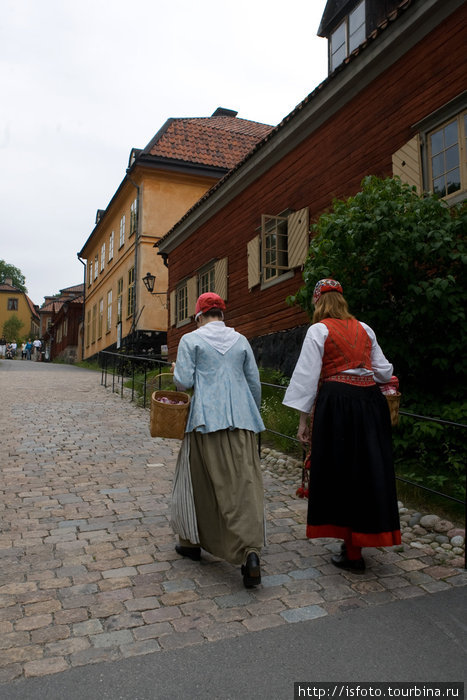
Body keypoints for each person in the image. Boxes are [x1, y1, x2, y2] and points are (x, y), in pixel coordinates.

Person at [283, 279, 401, 572]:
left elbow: (307, 377)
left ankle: (351, 550)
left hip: (337, 404)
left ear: (318, 303)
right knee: (366, 469)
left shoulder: (319, 330)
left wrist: (303, 420)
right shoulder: (365, 329)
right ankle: (355, 546)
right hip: (370, 403)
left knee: (340, 469)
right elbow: (384, 370)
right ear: (342, 301)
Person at [171, 292, 265, 588]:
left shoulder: (192, 340)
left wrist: (176, 371)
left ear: (199, 316)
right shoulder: (241, 341)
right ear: (222, 315)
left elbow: (184, 382)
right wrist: (253, 415)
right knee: (244, 483)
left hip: (205, 421)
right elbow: (254, 383)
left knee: (200, 482)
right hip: (243, 421)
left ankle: (191, 542)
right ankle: (250, 551)